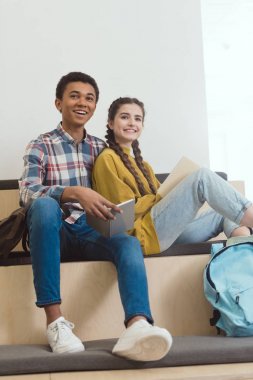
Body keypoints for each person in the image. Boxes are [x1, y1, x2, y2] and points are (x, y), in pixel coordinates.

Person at [19, 73, 172, 361]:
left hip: (91, 230)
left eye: (89, 98)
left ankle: (137, 325)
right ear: (58, 103)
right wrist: (75, 192)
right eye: (74, 96)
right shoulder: (41, 144)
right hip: (53, 231)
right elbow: (27, 193)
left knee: (127, 244)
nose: (82, 103)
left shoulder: (102, 149)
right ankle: (55, 322)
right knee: (43, 207)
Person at [92, 97, 253, 255]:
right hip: (141, 236)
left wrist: (169, 193)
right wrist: (160, 197)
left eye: (138, 119)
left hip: (163, 231)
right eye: (124, 117)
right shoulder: (107, 159)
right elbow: (121, 213)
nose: (132, 123)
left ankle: (245, 257)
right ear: (111, 123)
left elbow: (161, 200)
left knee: (225, 211)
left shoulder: (143, 165)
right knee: (202, 177)